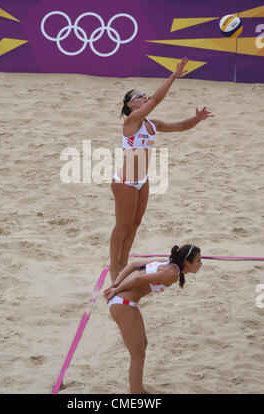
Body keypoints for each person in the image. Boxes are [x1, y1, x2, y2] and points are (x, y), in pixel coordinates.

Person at [109, 57, 213, 282]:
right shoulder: (131, 122)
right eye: (139, 96)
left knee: (135, 224)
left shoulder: (150, 124)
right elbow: (156, 99)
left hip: (142, 179)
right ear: (130, 105)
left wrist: (196, 119)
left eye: (143, 94)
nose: (143, 97)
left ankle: (123, 263)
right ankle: (112, 267)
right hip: (125, 182)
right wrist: (173, 76)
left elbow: (181, 126)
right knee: (122, 226)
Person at [103, 244, 202, 394]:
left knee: (143, 345)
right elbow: (137, 279)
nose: (201, 264)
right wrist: (116, 289)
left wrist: (116, 283)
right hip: (123, 304)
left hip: (127, 302)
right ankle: (137, 394)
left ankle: (138, 390)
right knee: (138, 355)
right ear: (187, 263)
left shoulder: (169, 263)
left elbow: (134, 265)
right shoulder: (172, 274)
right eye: (198, 260)